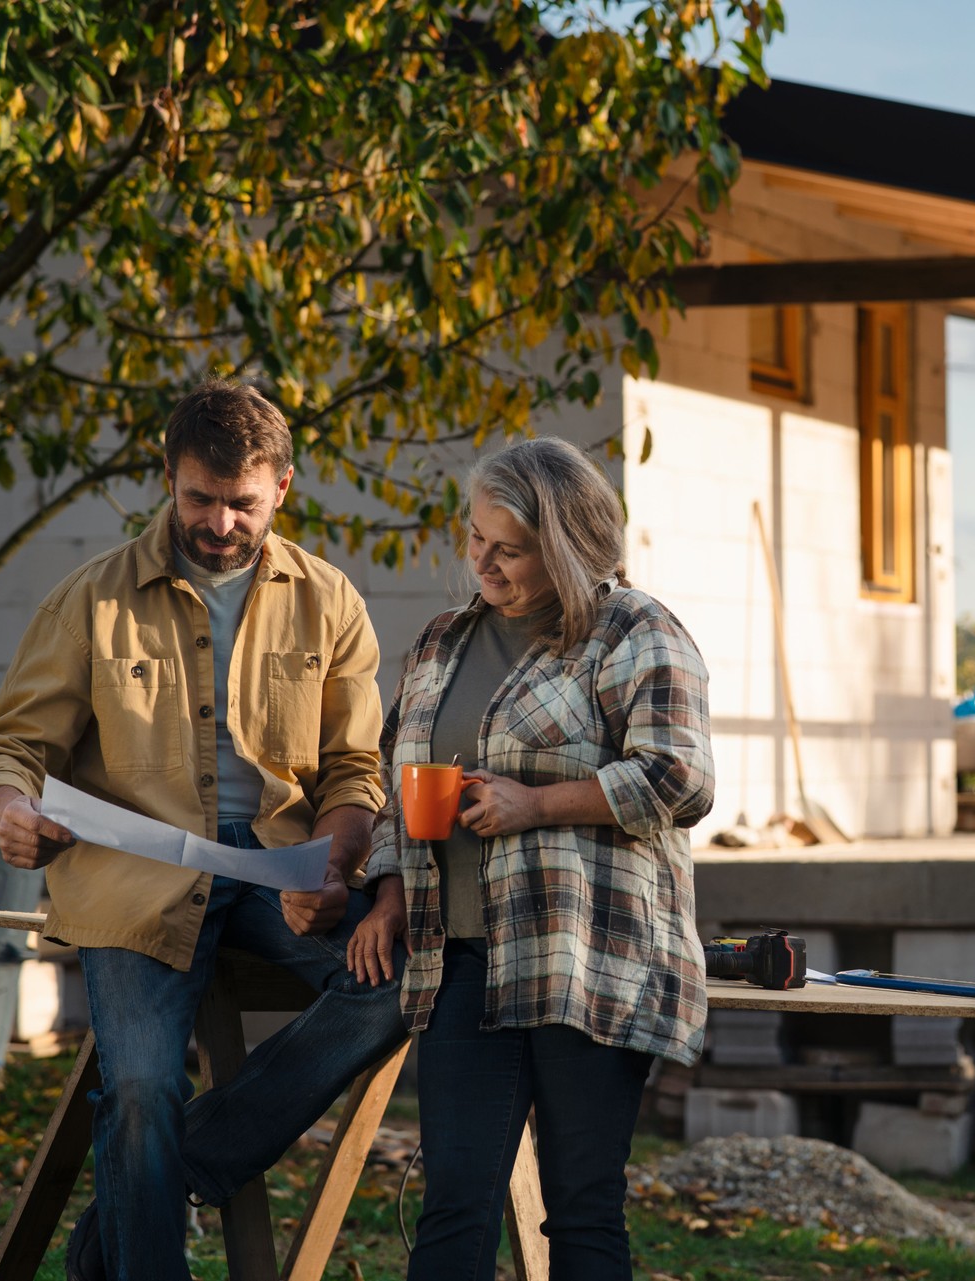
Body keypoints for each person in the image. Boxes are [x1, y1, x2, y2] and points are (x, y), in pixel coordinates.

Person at [0, 380, 408, 1281]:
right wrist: (10, 813)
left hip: (283, 863)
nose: (220, 522)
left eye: (242, 502)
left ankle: (164, 1175)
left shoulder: (331, 601)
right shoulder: (89, 599)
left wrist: (337, 863)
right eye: (199, 497)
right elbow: (9, 747)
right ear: (168, 476)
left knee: (406, 982)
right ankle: (148, 1195)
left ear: (283, 486)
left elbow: (356, 768)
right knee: (136, 1089)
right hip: (134, 874)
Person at [348, 437, 713, 1279]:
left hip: (586, 955)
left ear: (566, 544)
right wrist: (391, 890)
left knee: (580, 1209)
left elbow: (681, 777)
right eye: (476, 537)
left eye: (508, 548)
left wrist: (535, 803)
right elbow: (401, 773)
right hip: (461, 958)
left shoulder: (635, 632)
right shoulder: (445, 640)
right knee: (453, 1207)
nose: (484, 560)